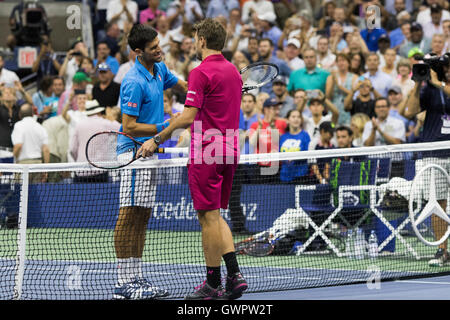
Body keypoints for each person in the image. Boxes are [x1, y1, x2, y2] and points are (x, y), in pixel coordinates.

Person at [136, 18, 247, 300]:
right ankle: (234, 276)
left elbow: (188, 117)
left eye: (195, 37)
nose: (194, 41)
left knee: (207, 217)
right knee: (216, 214)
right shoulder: (234, 72)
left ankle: (212, 283)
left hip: (207, 150)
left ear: (201, 41)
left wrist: (156, 139)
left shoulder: (200, 71)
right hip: (230, 149)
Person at [113, 24, 187, 300]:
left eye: (159, 44)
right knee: (128, 214)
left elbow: (184, 87)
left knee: (142, 216)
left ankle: (136, 276)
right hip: (133, 154)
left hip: (150, 153)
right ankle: (123, 281)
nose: (160, 49)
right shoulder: (133, 81)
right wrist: (165, 127)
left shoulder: (160, 69)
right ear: (138, 52)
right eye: (154, 47)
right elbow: (129, 126)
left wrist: (211, 92)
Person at [403, 65, 450, 267]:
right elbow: (411, 112)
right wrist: (416, 85)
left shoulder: (440, 86)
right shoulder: (427, 90)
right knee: (437, 205)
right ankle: (442, 250)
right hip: (434, 154)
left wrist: (439, 84)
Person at [70, 100, 120, 182]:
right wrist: (110, 117)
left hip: (81, 171)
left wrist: (79, 161)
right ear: (99, 111)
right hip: (100, 171)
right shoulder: (105, 123)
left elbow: (73, 149)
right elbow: (122, 129)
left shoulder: (79, 125)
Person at [11, 103, 50, 183]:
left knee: (20, 194)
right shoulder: (39, 127)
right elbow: (46, 150)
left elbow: (18, 145)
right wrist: (45, 169)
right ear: (33, 114)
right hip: (37, 166)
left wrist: (13, 162)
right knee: (35, 195)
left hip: (22, 165)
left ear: (20, 114)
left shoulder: (18, 125)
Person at [325, 53, 358, 126]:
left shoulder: (354, 77)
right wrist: (333, 82)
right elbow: (328, 97)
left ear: (348, 63)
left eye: (343, 60)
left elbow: (355, 94)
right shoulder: (331, 77)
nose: (341, 63)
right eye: (338, 61)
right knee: (332, 128)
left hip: (348, 111)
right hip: (333, 111)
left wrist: (339, 86)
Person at [279, 109, 311, 184]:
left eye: (298, 117)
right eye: (293, 117)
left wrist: (293, 157)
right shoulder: (283, 137)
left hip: (300, 177)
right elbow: (279, 153)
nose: (296, 119)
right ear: (287, 120)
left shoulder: (305, 135)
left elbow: (308, 154)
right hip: (284, 177)